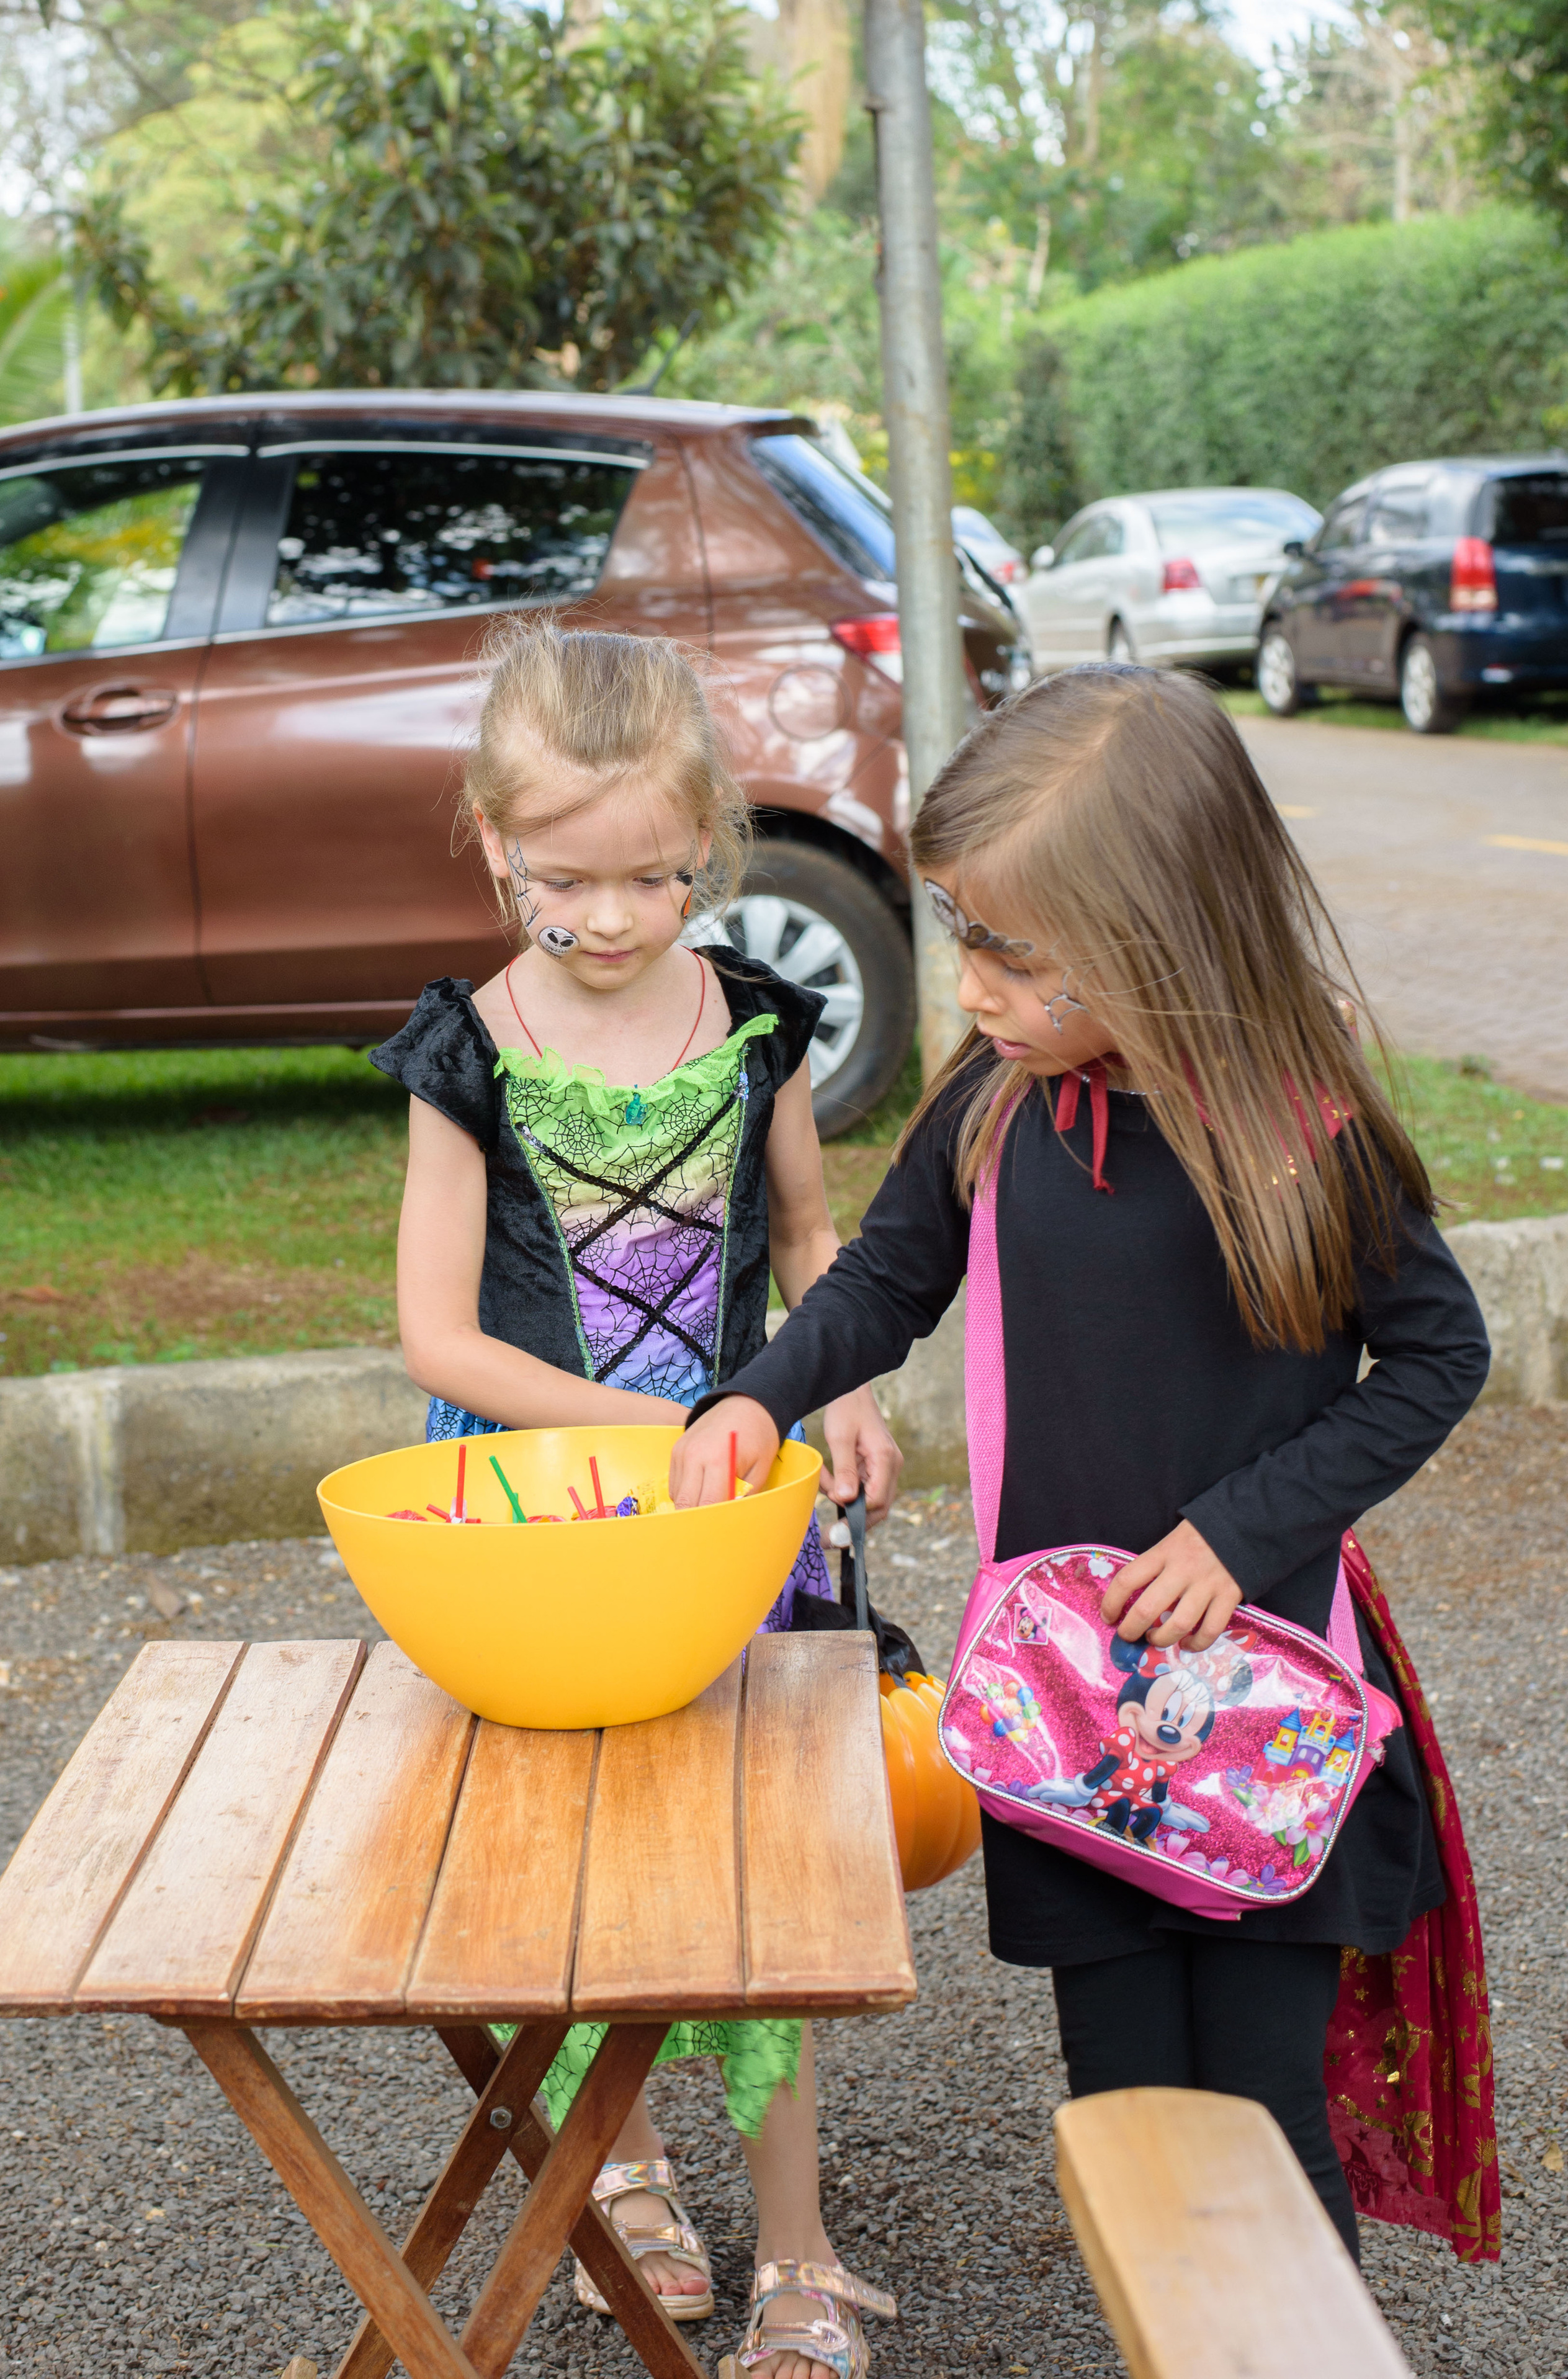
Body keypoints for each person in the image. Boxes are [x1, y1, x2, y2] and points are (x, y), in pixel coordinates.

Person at [672, 662, 1492, 2260]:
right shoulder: (996, 1102)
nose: (966, 981)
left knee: (1260, 2132)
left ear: (1165, 934)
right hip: (1058, 1714)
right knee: (1121, 2130)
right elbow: (885, 1282)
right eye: (961, 929)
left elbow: (1439, 1359)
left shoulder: (1300, 1132)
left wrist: (1240, 1531)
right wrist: (758, 1398)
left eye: (1009, 949)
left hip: (1258, 1700)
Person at [372, 619, 902, 2379]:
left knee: (765, 1864)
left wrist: (851, 1386)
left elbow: (821, 1240)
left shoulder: (758, 1022)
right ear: (492, 839)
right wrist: (642, 1415)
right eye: (567, 882)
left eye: (657, 879)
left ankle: (805, 2249)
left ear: (712, 850)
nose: (611, 920)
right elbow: (434, 1326)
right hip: (532, 1528)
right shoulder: (464, 1056)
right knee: (583, 1867)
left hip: (739, 1510)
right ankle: (641, 2183)